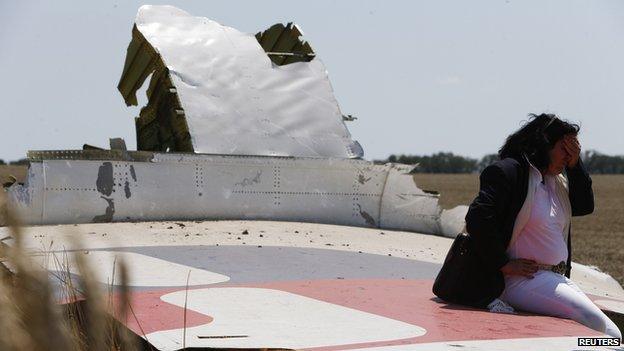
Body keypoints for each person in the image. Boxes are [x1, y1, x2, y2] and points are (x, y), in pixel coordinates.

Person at [464, 113, 621, 339]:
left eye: (574, 151)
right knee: (600, 327)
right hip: (518, 281)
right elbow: (478, 217)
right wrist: (503, 263)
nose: (569, 157)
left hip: (554, 278)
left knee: (607, 332)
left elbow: (584, 206)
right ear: (543, 144)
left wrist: (576, 166)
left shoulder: (555, 182)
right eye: (564, 149)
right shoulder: (510, 172)